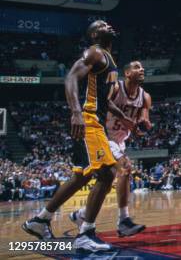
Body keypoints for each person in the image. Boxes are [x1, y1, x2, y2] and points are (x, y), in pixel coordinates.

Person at [23, 20, 133, 252]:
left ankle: (40, 220)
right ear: (94, 34)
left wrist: (122, 115)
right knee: (107, 173)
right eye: (102, 24)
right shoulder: (95, 52)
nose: (108, 25)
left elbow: (105, 99)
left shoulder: (109, 60)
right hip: (88, 120)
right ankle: (86, 234)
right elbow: (71, 77)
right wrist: (76, 112)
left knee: (81, 177)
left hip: (95, 120)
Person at [69, 61, 151, 237]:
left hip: (120, 140)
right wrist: (123, 118)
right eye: (137, 67)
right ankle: (123, 221)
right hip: (103, 134)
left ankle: (81, 215)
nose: (142, 69)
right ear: (127, 73)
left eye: (142, 67)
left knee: (106, 184)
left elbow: (143, 120)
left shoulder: (145, 96)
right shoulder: (115, 87)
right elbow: (103, 103)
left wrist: (143, 125)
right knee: (125, 168)